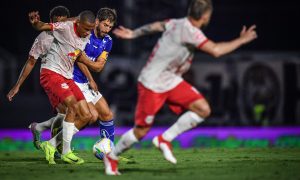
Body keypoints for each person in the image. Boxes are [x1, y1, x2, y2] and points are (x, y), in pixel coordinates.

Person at [104, 0, 257, 175]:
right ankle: (112, 156)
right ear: (206, 16)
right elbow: (216, 50)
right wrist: (242, 40)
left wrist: (134, 34)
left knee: (203, 109)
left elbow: (157, 26)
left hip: (171, 80)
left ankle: (164, 139)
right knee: (141, 131)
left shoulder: (176, 23)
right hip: (152, 83)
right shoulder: (191, 32)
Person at [28, 10, 96, 164]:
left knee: (87, 116)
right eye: (85, 28)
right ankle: (66, 152)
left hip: (67, 76)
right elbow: (43, 26)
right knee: (71, 107)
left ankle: (50, 144)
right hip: (51, 73)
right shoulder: (65, 27)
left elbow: (77, 53)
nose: (88, 32)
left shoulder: (88, 33)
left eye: (90, 29)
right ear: (78, 24)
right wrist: (36, 23)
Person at [7, 6, 71, 150]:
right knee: (66, 111)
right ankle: (58, 148)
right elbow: (31, 61)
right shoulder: (44, 38)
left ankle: (39, 128)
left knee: (69, 113)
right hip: (51, 77)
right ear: (51, 22)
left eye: (62, 22)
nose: (58, 26)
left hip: (68, 77)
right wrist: (17, 86)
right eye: (56, 22)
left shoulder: (72, 34)